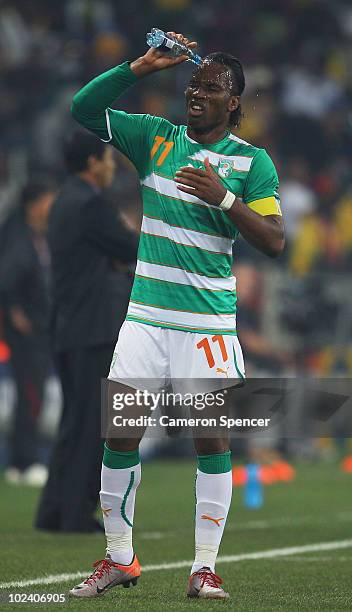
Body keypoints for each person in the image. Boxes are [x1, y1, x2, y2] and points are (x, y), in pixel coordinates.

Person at [69, 33, 284, 599]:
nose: (196, 92)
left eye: (210, 87)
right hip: (144, 318)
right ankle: (119, 557)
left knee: (211, 441)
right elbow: (84, 110)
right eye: (193, 82)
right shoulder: (155, 139)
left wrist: (224, 199)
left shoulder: (251, 163)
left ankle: (204, 568)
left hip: (207, 328)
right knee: (119, 432)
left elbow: (274, 241)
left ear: (232, 101)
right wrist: (138, 68)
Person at [35, 132, 138, 532]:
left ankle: (53, 511)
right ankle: (76, 513)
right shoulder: (92, 203)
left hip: (68, 327)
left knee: (74, 423)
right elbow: (130, 245)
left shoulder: (64, 200)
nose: (113, 166)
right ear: (94, 164)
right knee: (94, 423)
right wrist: (124, 241)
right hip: (93, 328)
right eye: (109, 159)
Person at [0, 181, 55, 486]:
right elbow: (7, 279)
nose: (52, 205)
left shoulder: (36, 236)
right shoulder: (18, 237)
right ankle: (26, 460)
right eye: (48, 198)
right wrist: (14, 311)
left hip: (39, 327)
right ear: (33, 203)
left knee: (32, 394)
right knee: (30, 395)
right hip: (26, 332)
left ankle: (20, 461)